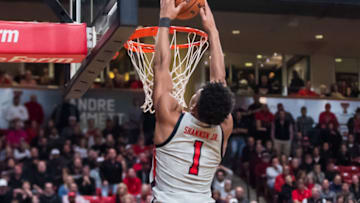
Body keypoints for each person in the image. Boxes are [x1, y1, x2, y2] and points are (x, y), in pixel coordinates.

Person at [149, 1, 234, 202]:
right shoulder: (224, 127)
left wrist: (165, 18)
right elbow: (219, 81)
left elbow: (161, 66)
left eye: (200, 91)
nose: (204, 86)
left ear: (194, 106)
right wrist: (212, 30)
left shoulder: (172, 119)